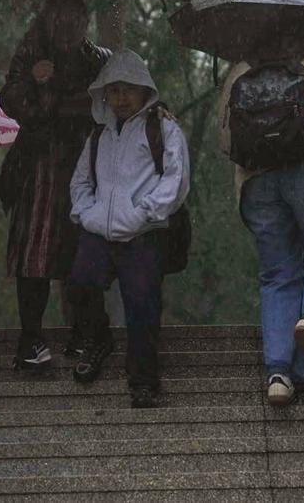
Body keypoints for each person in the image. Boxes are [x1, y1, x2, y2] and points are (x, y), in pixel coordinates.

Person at [218, 30, 304, 406]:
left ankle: (279, 374)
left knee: (278, 274)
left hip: (257, 181)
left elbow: (228, 138)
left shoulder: (241, 69)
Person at [65, 49, 190, 408]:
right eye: (113, 90)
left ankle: (144, 381)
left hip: (144, 234)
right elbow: (80, 181)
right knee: (82, 284)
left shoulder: (163, 128)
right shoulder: (98, 135)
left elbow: (176, 179)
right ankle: (98, 340)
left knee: (142, 305)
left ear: (144, 90)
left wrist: (144, 214)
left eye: (128, 89)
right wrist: (87, 213)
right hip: (98, 231)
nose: (120, 97)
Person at [0, 0, 110, 370]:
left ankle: (84, 331)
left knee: (80, 246)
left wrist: (66, 102)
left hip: (83, 162)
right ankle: (31, 337)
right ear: (48, 21)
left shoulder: (95, 58)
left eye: (75, 22)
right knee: (35, 249)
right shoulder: (31, 52)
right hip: (40, 163)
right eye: (60, 21)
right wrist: (37, 83)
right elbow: (10, 99)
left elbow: (107, 103)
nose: (68, 30)